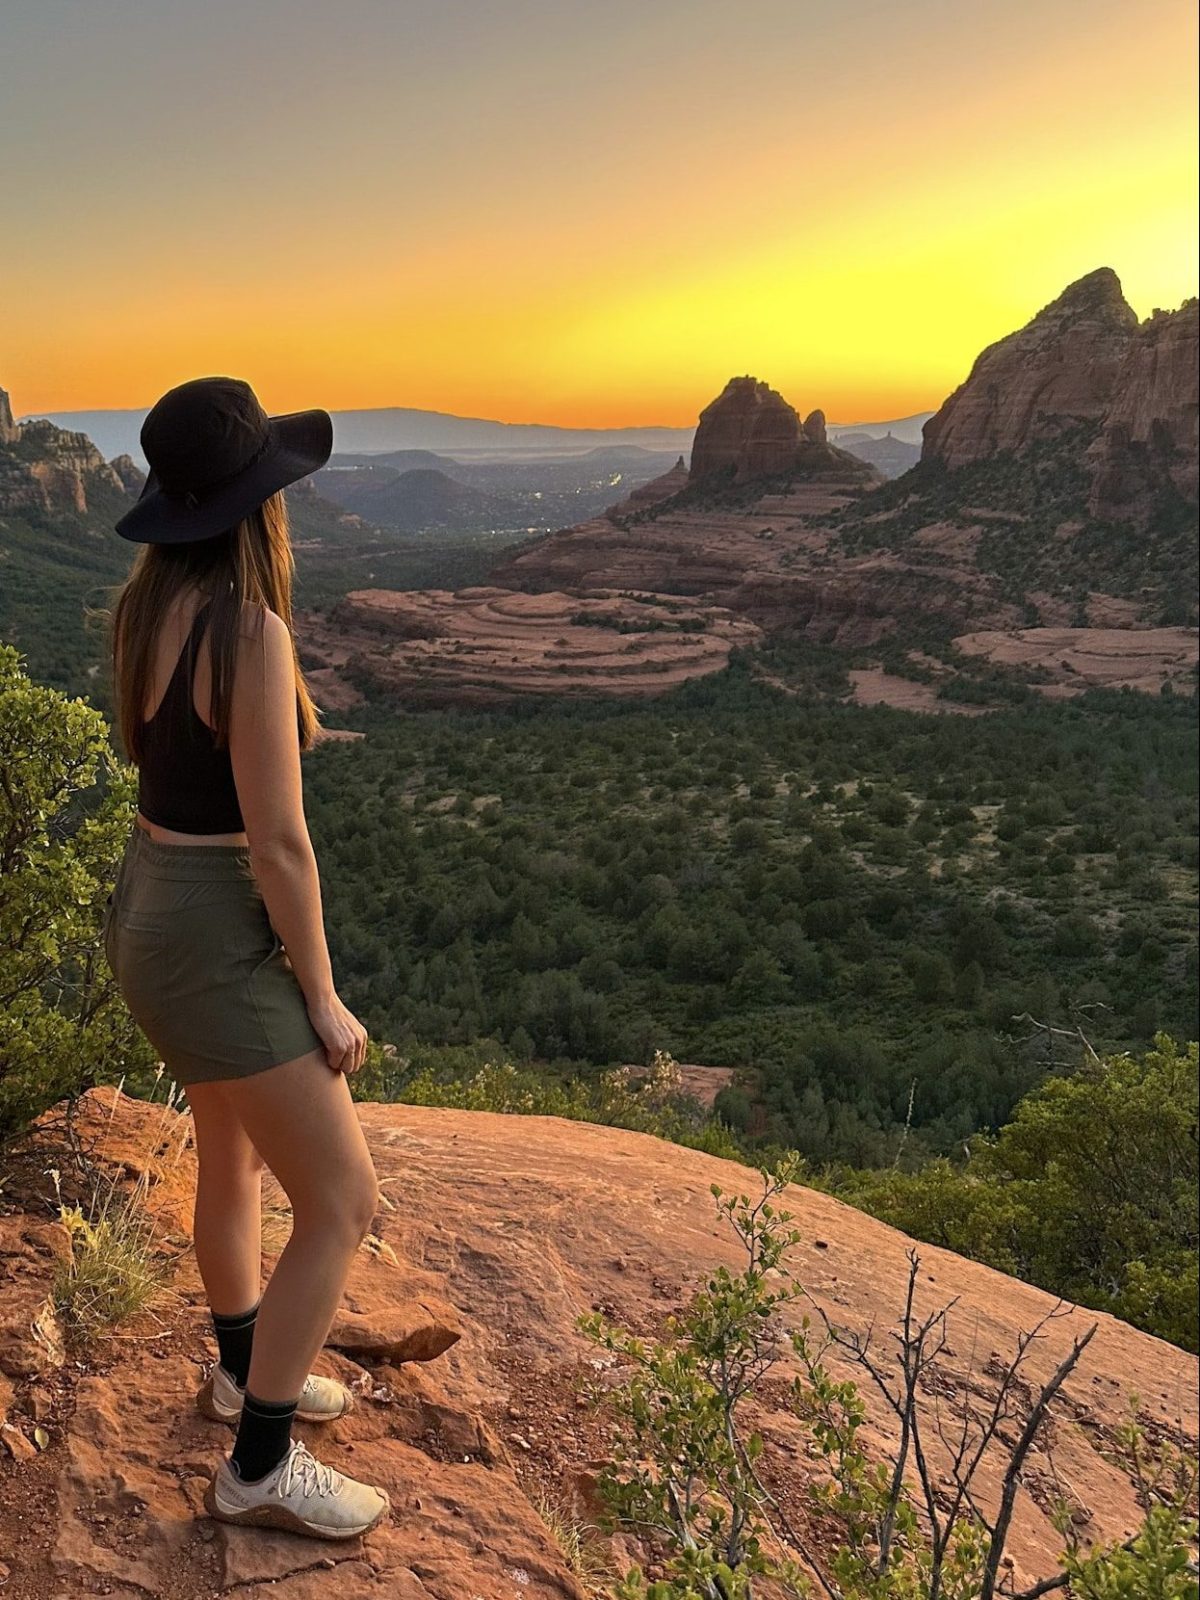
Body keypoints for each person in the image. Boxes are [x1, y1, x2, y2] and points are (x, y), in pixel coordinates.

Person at [106, 376, 390, 1541]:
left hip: (149, 907)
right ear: (257, 504)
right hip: (215, 928)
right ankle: (260, 1465)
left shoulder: (145, 609)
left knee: (230, 1150)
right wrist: (321, 996)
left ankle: (240, 1371)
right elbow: (278, 842)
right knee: (343, 1199)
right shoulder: (250, 632)